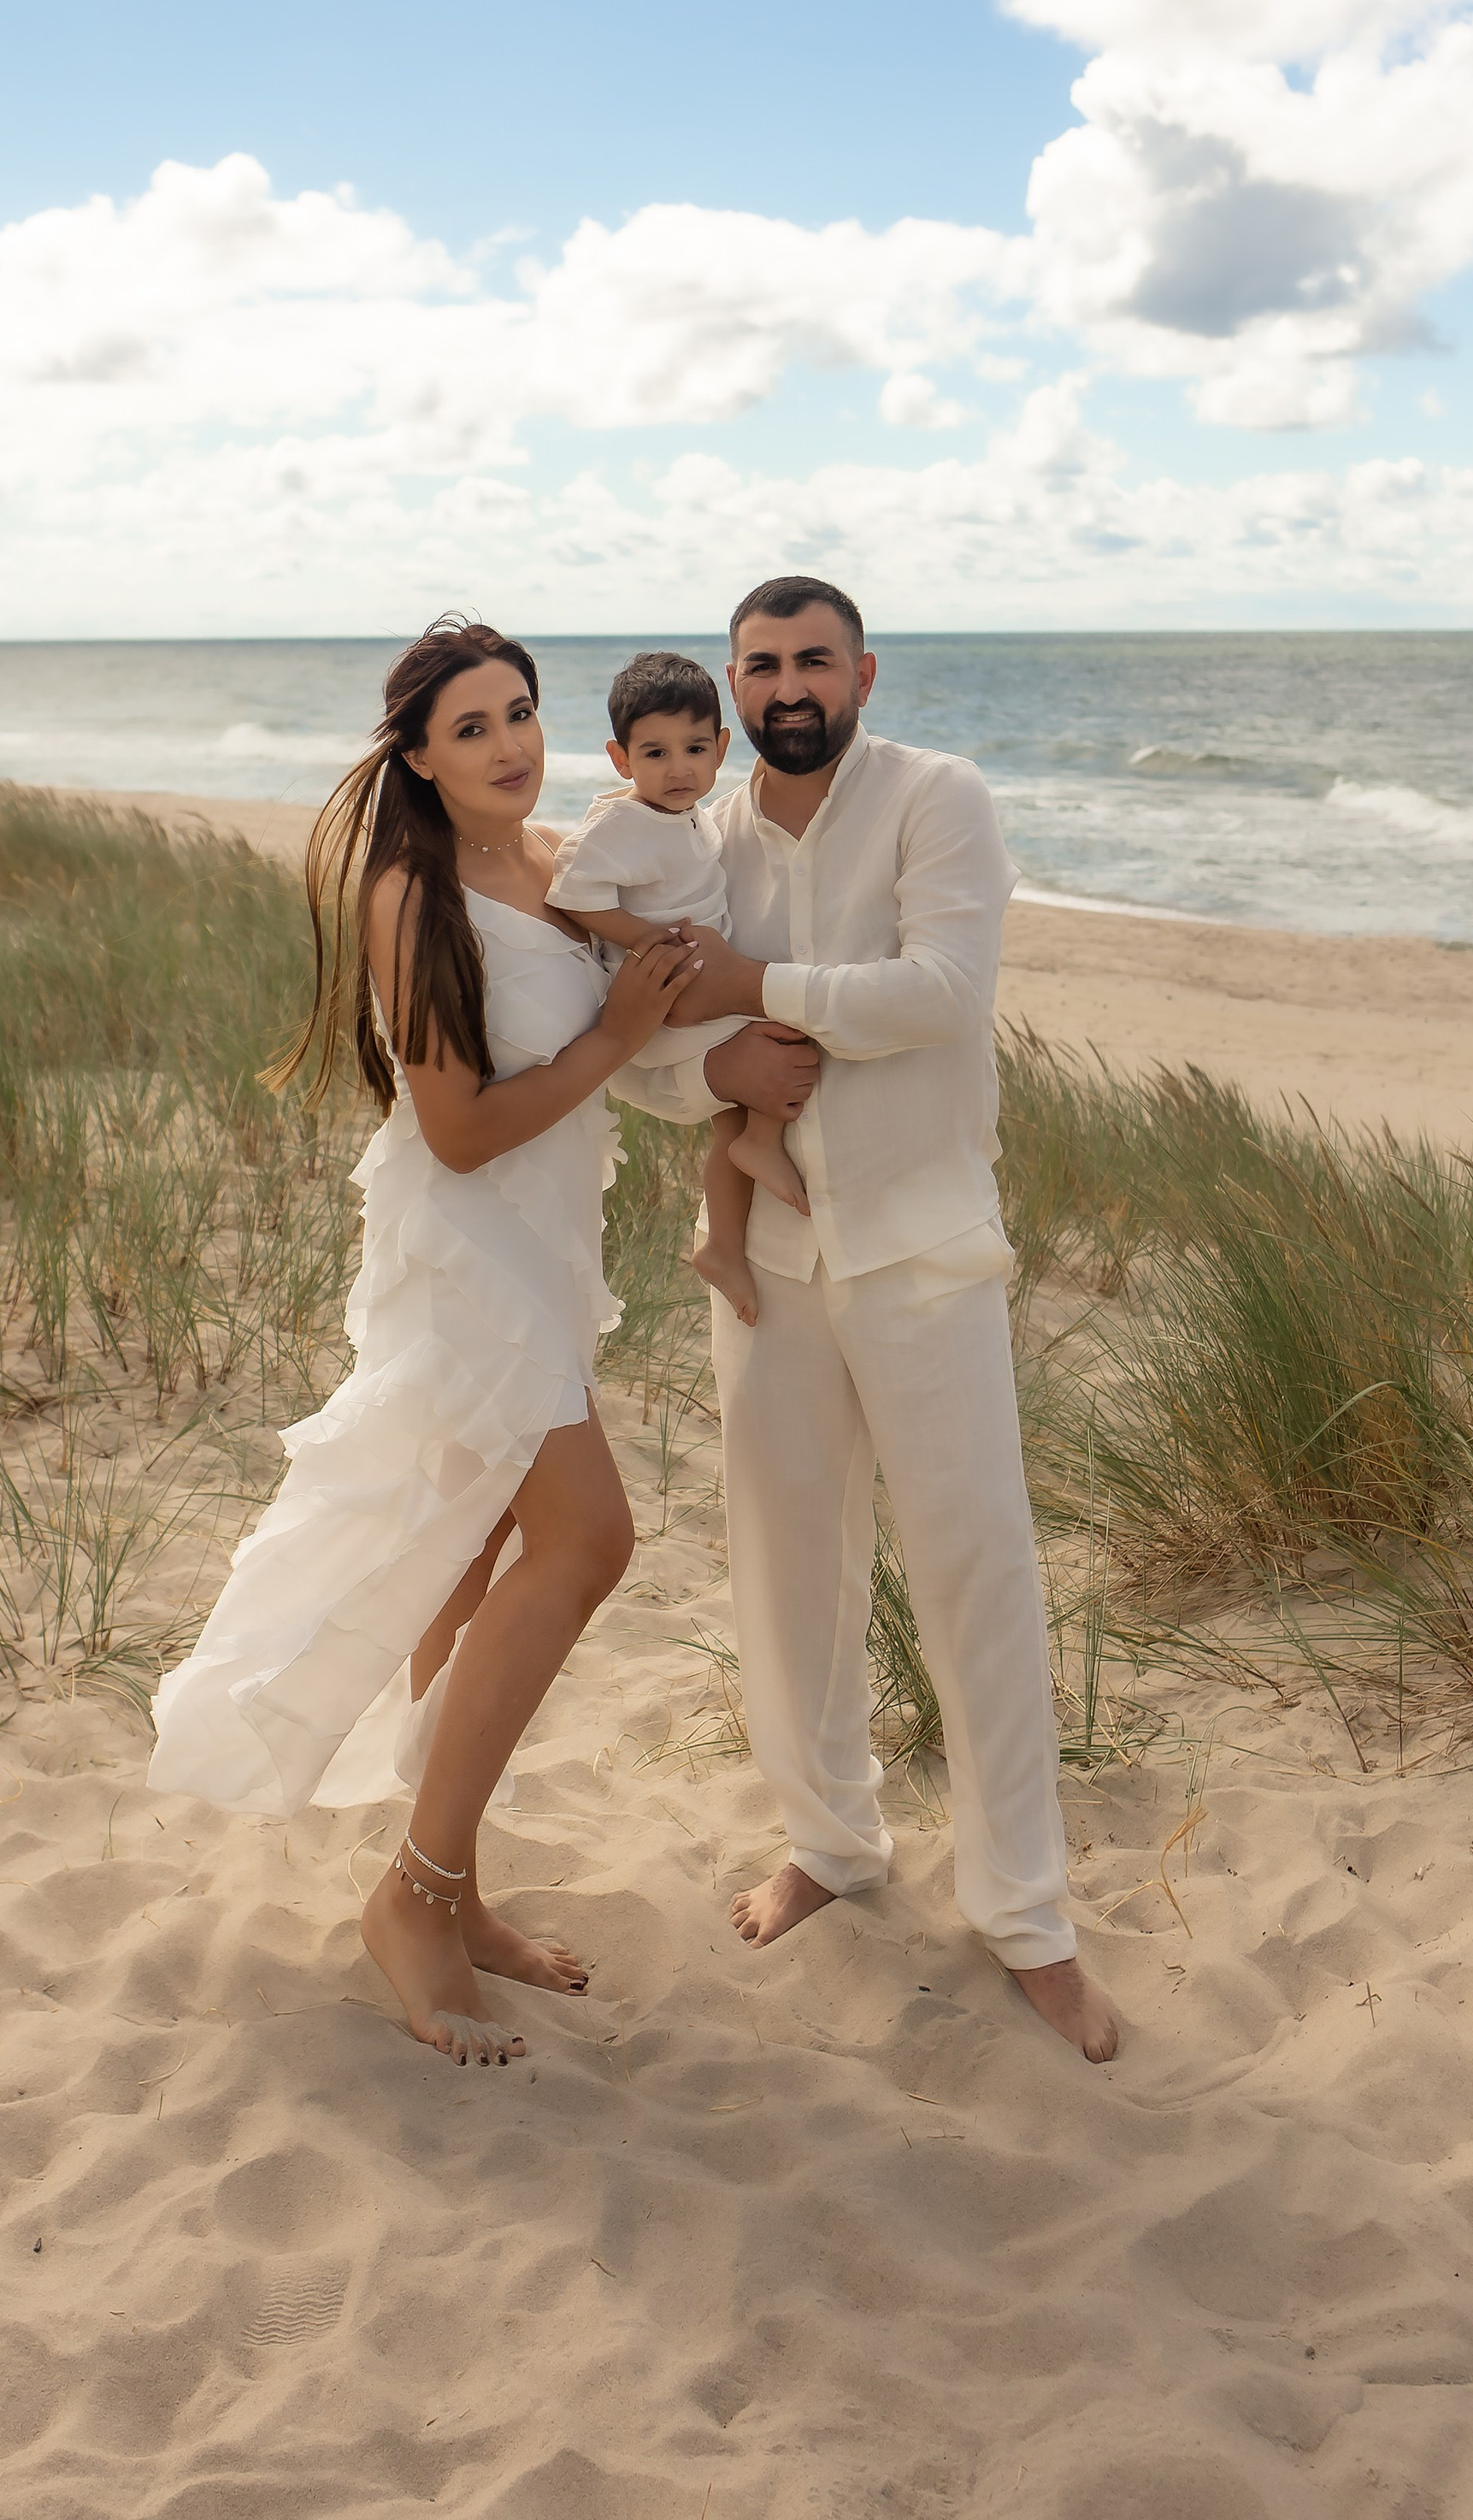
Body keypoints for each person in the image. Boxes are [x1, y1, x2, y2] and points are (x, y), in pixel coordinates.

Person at [147, 616, 702, 2068]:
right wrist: (606, 1042)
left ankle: (452, 1891)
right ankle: (418, 1892)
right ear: (416, 755)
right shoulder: (413, 893)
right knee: (589, 1540)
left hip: (549, 1244)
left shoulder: (562, 861)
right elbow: (454, 1132)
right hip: (466, 1257)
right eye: (472, 729)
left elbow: (660, 983)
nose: (510, 744)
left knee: (460, 1559)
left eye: (520, 713)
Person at [621, 575, 1121, 2063]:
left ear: (864, 673)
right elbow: (648, 1047)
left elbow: (943, 991)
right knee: (788, 1564)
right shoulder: (693, 836)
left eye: (812, 661)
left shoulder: (936, 798)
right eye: (760, 664)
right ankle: (834, 1846)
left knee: (976, 1572)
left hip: (921, 1251)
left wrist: (755, 988)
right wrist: (721, 1074)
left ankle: (1027, 1919)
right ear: (731, 682)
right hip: (772, 1257)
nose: (786, 687)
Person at [545, 646, 810, 1329]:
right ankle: (759, 1151)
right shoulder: (623, 822)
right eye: (655, 753)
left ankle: (723, 1243)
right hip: (670, 988)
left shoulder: (690, 812)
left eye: (695, 748)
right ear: (620, 759)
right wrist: (642, 940)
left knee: (742, 1100)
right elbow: (572, 891)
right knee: (786, 1029)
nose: (679, 767)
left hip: (693, 976)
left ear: (721, 747)